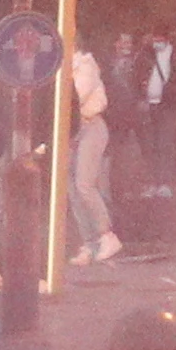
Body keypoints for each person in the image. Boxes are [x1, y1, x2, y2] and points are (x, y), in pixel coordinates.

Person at [66, 41, 118, 262]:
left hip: (90, 126)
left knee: (84, 184)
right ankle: (89, 242)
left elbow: (77, 98)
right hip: (70, 130)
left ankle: (107, 235)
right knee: (71, 188)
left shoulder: (85, 65)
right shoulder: (63, 67)